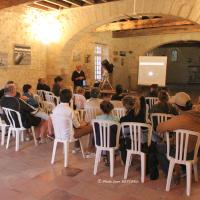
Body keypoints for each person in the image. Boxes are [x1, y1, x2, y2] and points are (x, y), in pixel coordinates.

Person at [156, 92, 195, 180]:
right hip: (195, 151)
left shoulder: (179, 119)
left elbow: (159, 128)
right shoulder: (196, 115)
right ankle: (186, 169)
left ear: (177, 107)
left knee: (158, 147)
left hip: (184, 153)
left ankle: (171, 173)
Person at [50, 89, 93, 155]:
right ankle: (90, 151)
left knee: (79, 127)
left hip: (58, 134)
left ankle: (77, 147)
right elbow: (77, 126)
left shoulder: (55, 109)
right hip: (69, 135)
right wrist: (86, 123)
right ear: (70, 99)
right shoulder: (69, 110)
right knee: (92, 127)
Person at [119, 95, 146, 164]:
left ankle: (125, 161)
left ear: (125, 106)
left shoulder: (124, 119)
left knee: (122, 139)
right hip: (144, 143)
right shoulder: (141, 114)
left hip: (130, 143)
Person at [96, 101, 119, 166]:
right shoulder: (116, 119)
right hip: (112, 142)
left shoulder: (97, 119)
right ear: (111, 109)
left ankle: (104, 153)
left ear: (101, 109)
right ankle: (113, 154)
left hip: (99, 142)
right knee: (113, 135)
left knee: (103, 135)